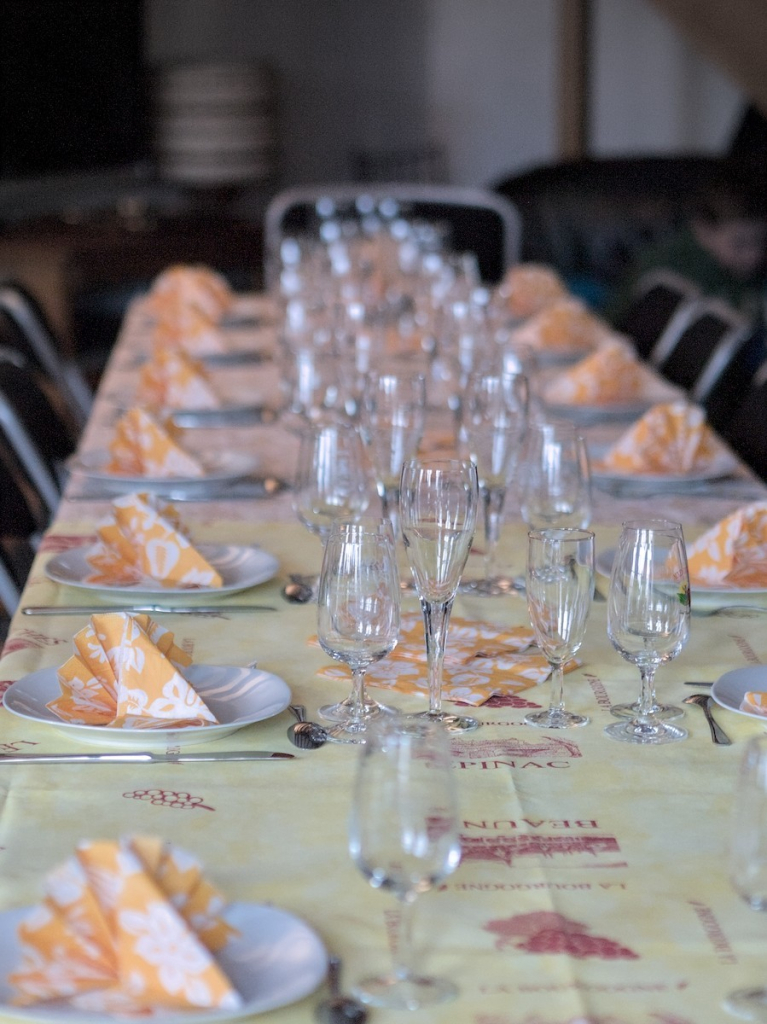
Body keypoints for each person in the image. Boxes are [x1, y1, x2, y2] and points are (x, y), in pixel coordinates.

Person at [606, 158, 767, 328]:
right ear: (703, 231)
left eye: (762, 242)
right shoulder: (663, 267)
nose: (754, 255)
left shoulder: (756, 277)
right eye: (740, 244)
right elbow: (612, 324)